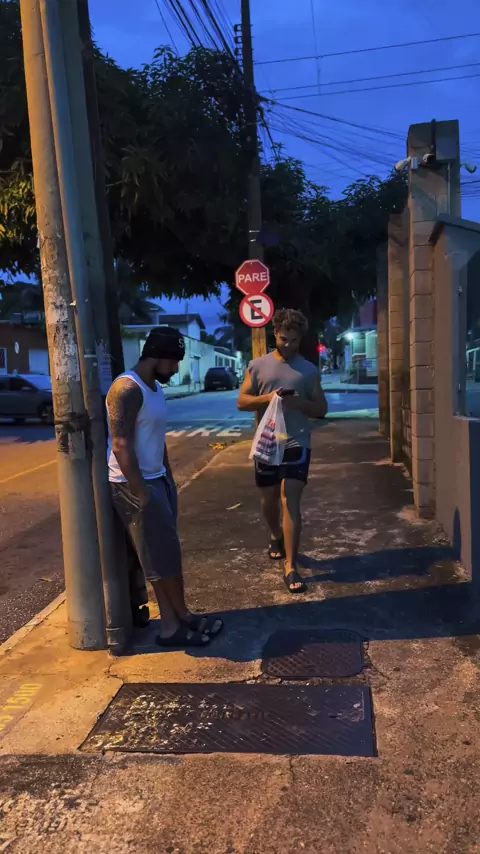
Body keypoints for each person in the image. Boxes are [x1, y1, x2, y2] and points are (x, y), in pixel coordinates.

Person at [106, 326, 223, 647]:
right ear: (156, 356)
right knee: (157, 557)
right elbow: (120, 444)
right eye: (173, 362)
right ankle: (173, 624)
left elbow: (155, 439)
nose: (175, 369)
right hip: (132, 484)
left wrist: (168, 478)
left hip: (157, 479)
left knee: (165, 554)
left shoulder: (154, 387)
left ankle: (179, 617)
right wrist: (141, 491)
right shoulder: (125, 389)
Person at [237, 309, 328, 594]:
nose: (288, 345)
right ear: (275, 334)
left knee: (291, 499)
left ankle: (290, 566)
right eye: (283, 339)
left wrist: (301, 404)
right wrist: (268, 398)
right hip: (268, 442)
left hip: (297, 441)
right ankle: (275, 534)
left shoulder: (309, 370)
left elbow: (322, 409)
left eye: (294, 340)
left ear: (301, 339)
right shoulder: (257, 366)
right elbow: (242, 401)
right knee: (269, 499)